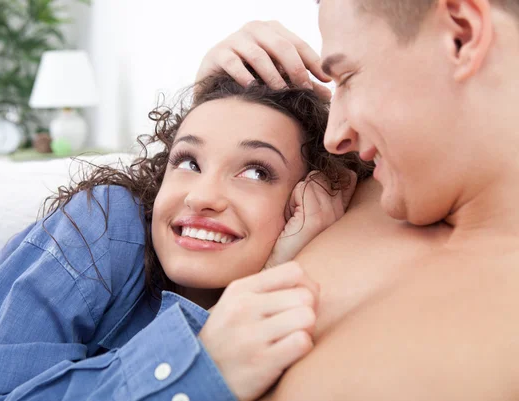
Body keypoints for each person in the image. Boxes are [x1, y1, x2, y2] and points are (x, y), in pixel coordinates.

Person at [0, 71, 368, 401]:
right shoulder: (108, 221)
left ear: (304, 202)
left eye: (256, 171)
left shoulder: (263, 314)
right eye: (188, 161)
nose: (203, 196)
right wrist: (198, 361)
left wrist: (270, 273)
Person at [196, 0, 519, 399]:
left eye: (347, 77)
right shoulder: (343, 184)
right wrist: (210, 100)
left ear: (461, 35)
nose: (336, 135)